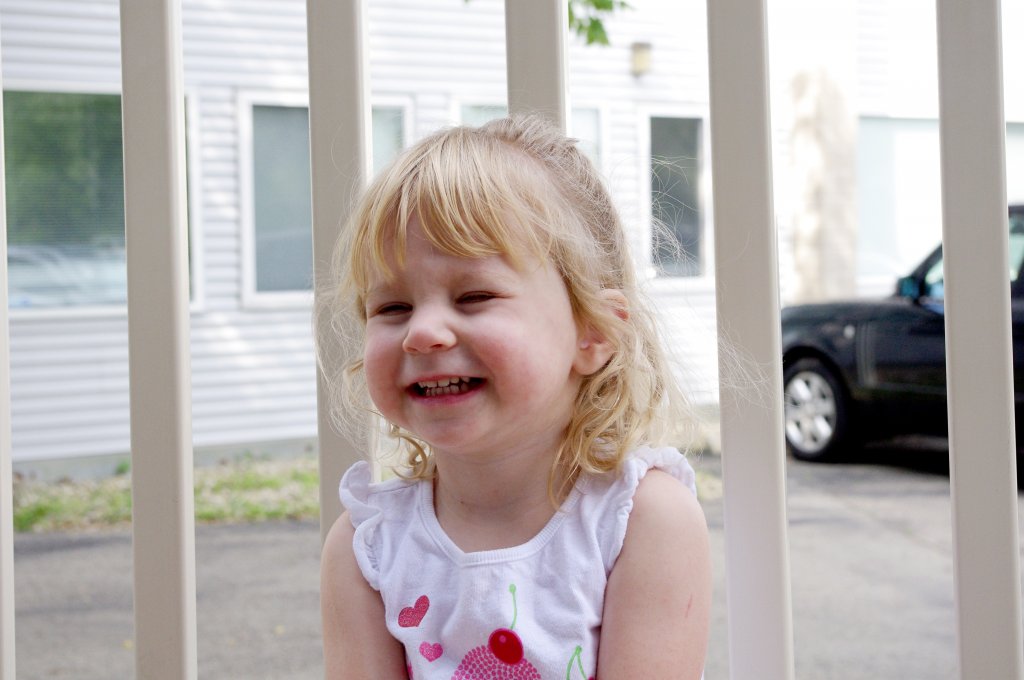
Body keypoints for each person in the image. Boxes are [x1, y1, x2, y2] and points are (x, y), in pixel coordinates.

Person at [318, 115, 711, 679]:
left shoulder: (641, 522)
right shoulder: (369, 548)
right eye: (392, 307)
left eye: (474, 295)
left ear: (593, 333)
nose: (422, 331)